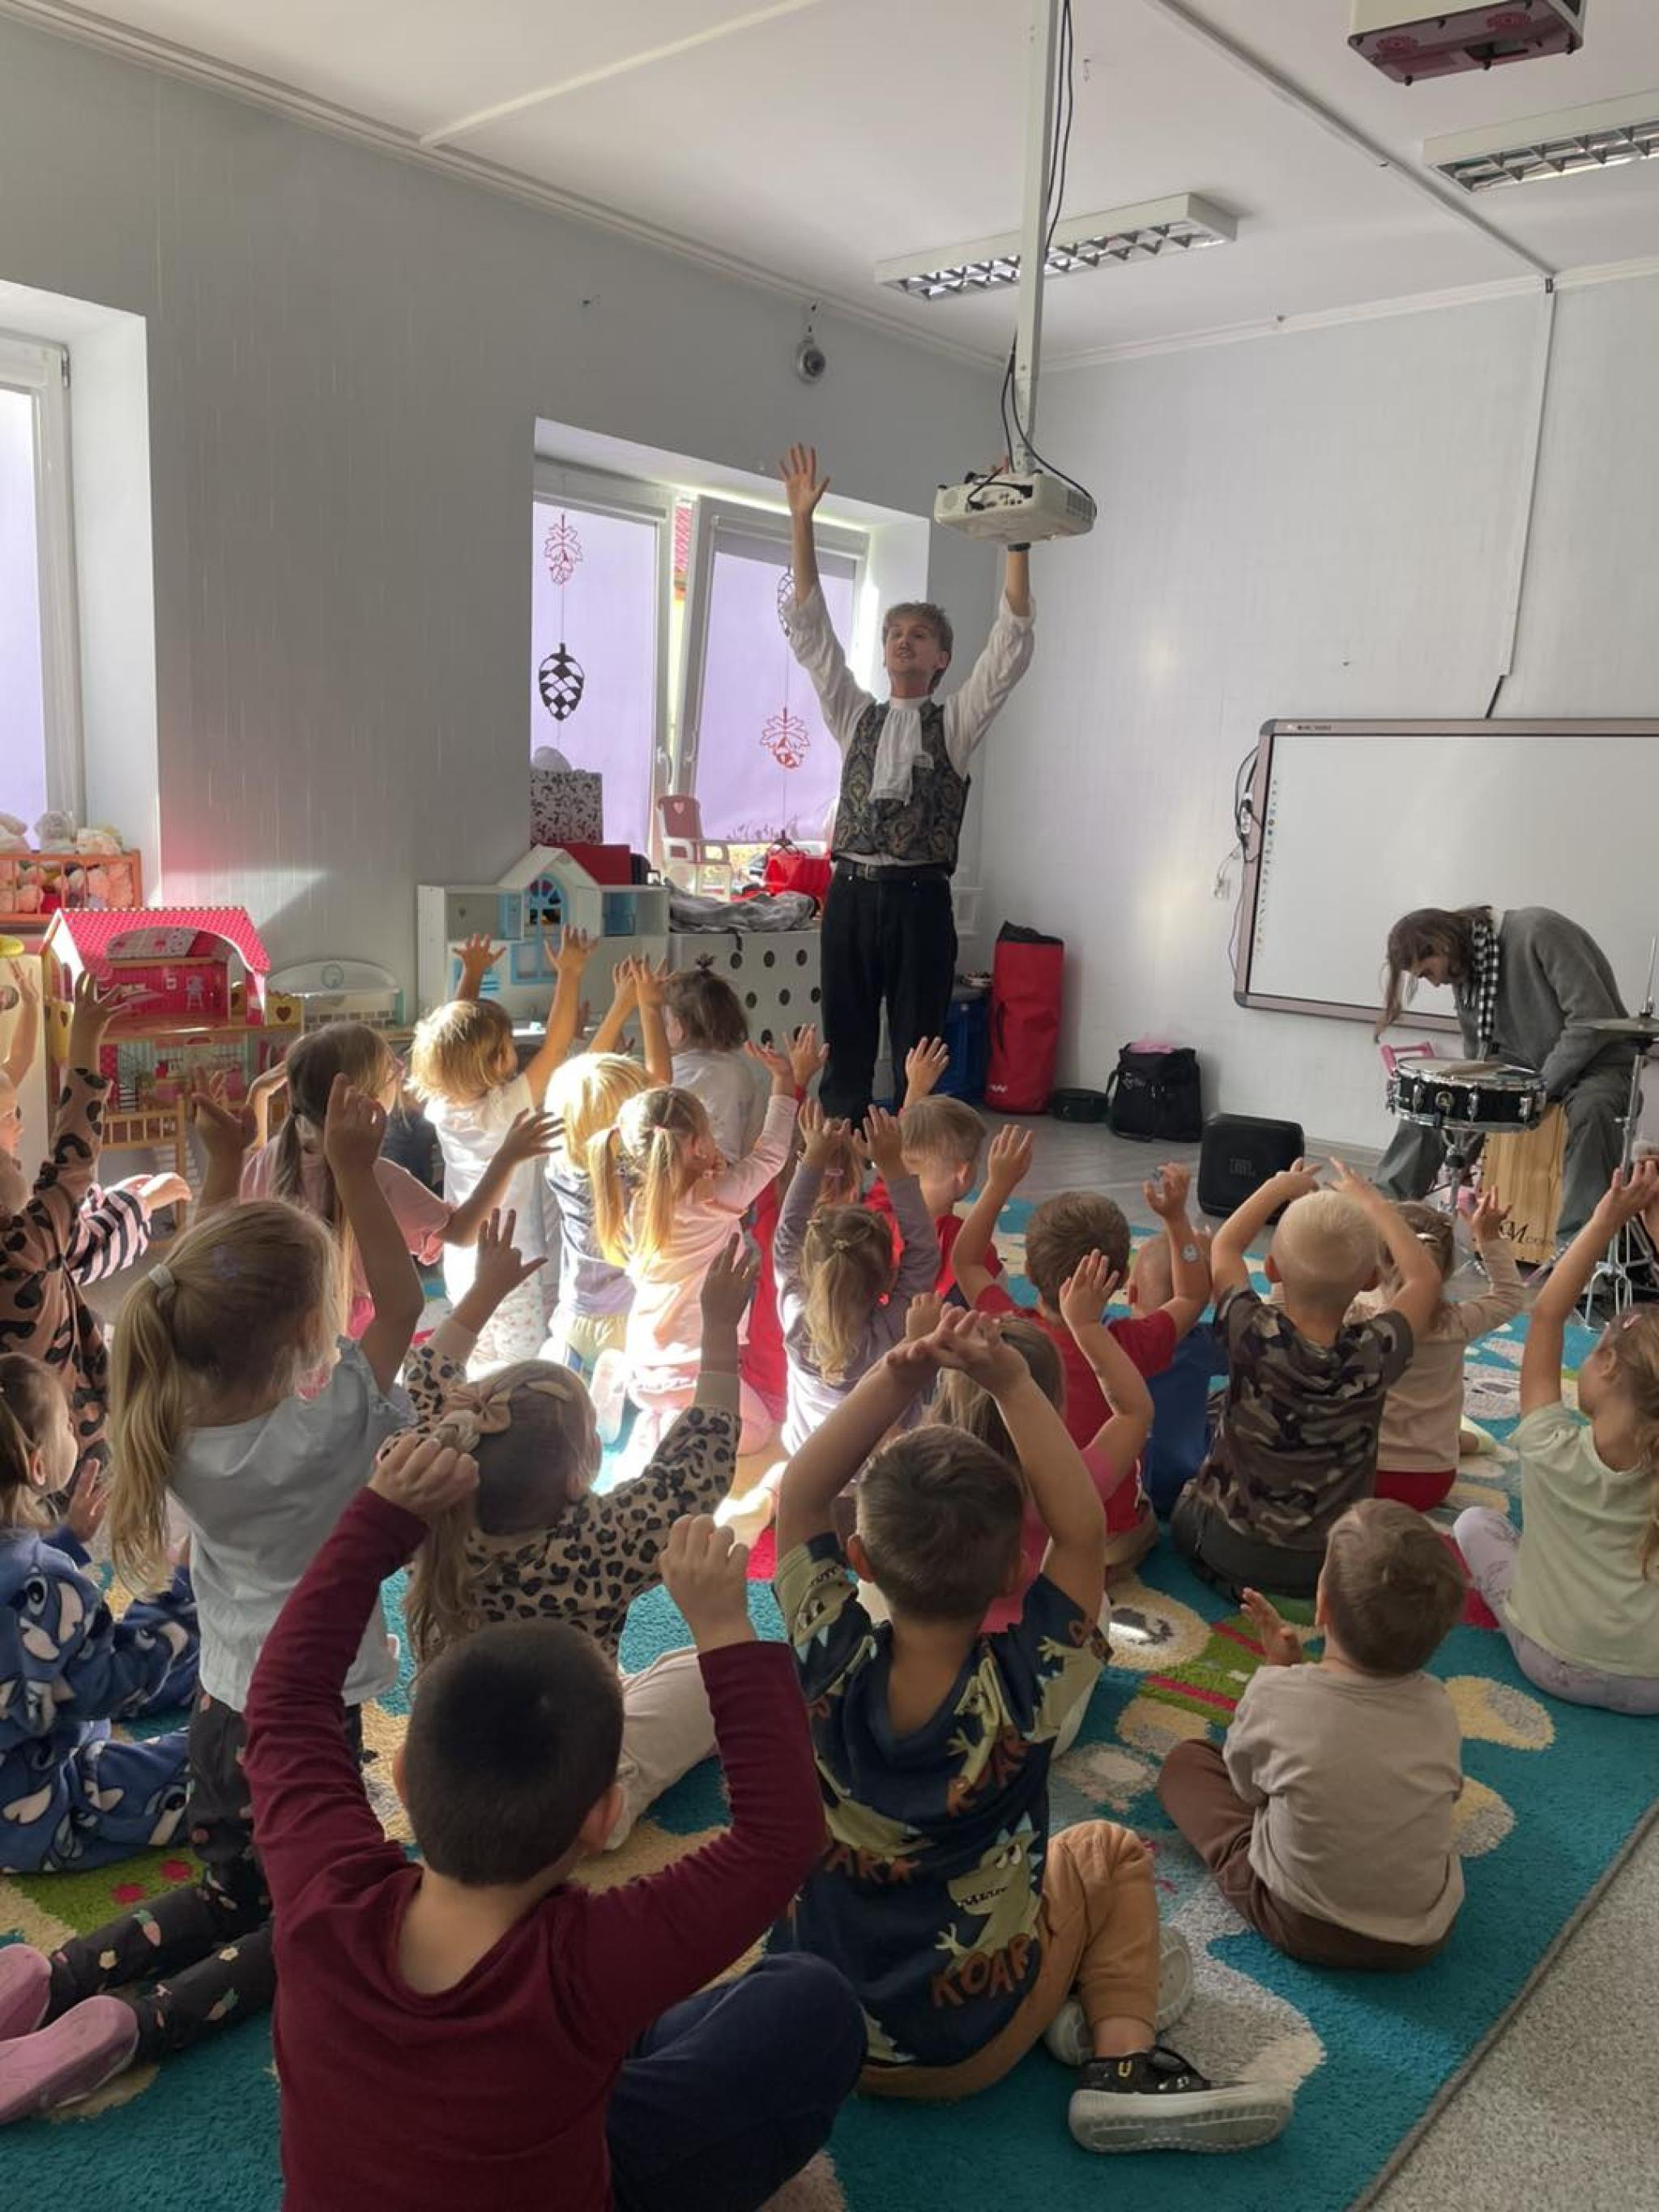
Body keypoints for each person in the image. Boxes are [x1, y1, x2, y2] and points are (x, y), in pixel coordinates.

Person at [240, 1432, 863, 2212]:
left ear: (400, 1778)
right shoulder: (585, 1969)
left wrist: (382, 1514)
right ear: (603, 1818)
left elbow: (285, 1699)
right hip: (580, 2132)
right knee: (810, 2005)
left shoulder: (320, 1896)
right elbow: (778, 1840)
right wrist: (721, 1624)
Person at [769, 1304, 1292, 2153]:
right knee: (1106, 1853)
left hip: (811, 2024)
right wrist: (1013, 1382)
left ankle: (1083, 2010)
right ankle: (1121, 2062)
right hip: (970, 2041)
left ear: (859, 1561)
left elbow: (798, 1495)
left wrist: (900, 1371)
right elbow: (1081, 1530)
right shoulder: (1031, 1683)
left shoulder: (823, 1655)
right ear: (1017, 1565)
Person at [0, 1075, 424, 2121]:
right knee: (314, 1921)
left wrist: (225, 1168)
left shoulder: (165, 1420)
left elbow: (213, 1295)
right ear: (306, 1333)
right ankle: (140, 2023)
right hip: (305, 1723)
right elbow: (406, 1305)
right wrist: (357, 1170)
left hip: (218, 1711)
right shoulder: (328, 1431)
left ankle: (56, 1976)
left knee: (231, 1888)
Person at [404, 1234, 757, 1850]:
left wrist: (483, 1293)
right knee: (725, 1674)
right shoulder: (602, 1542)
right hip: (559, 1797)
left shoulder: (423, 1497)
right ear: (576, 1477)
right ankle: (598, 1815)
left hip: (449, 1774)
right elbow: (699, 1464)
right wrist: (721, 1329)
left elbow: (425, 1382)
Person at [780, 442, 1035, 1123]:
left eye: (919, 635)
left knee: (919, 1050)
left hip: (921, 901)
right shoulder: (854, 714)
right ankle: (838, 1158)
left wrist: (1016, 535)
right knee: (847, 1046)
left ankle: (918, 1162)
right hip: (850, 895)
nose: (903, 641)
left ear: (941, 656)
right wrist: (801, 520)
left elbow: (1009, 646)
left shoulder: (954, 724)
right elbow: (813, 636)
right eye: (894, 632)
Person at [1158, 1499, 1467, 1969]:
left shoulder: (1277, 1696)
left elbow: (1247, 1788)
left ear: (1321, 1606)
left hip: (1301, 1920)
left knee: (1186, 1764)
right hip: (1420, 1937)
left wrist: (1278, 1674)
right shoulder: (1439, 1706)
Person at [1172, 1161, 1440, 1600]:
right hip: (1331, 1563)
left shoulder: (1248, 1330)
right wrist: (1376, 1204)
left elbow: (1225, 1246)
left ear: (1272, 1269)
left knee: (1189, 1494)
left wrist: (1277, 1187)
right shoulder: (1378, 1351)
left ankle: (1230, 1579)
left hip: (1229, 1547)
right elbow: (1424, 1278)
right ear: (1371, 1280)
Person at [1455, 1162, 1659, 1713]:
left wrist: (1606, 1218)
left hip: (1554, 1665)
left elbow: (1546, 1315)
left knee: (1475, 1523)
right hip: (1654, 1683)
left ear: (1608, 1363)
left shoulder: (1550, 1446)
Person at [955, 1134, 1210, 1564]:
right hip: (1103, 1536)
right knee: (1147, 1514)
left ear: (1028, 1270)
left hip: (1022, 1527)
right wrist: (1175, 1218)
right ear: (1121, 1278)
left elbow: (966, 1261)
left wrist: (998, 1185)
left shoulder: (1005, 1330)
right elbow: (1193, 1296)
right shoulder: (1129, 1344)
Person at [0, 1367, 196, 1874]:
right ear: (38, 1466)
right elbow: (115, 1688)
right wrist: (180, 1590)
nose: (76, 1430)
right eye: (67, 1424)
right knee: (224, 1763)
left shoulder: (38, 1575)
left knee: (156, 1650)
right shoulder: (48, 1581)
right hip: (40, 1808)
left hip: (25, 1739)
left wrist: (66, 1542)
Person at [243, 1020, 545, 1340]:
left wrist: (258, 1094)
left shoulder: (276, 1156)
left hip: (278, 1325)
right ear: (368, 1099)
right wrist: (506, 1157)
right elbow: (462, 1231)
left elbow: (252, 1153)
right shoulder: (379, 1181)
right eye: (394, 1070)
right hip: (354, 1336)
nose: (400, 1074)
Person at [929, 1255, 1154, 1659]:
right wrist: (1087, 1328)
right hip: (1045, 1671)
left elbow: (879, 1439)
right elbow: (1135, 1412)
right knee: (1098, 1598)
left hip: (940, 1656)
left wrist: (914, 1350)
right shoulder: (1076, 1482)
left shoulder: (922, 1481)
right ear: (1054, 1406)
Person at [1375, 904, 1639, 1243]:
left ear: (1443, 944)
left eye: (1427, 972)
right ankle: (1379, 1219)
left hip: (1599, 1065)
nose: (1436, 983)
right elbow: (1480, 1057)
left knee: (1594, 1108)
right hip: (1525, 1072)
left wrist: (1540, 1089)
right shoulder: (1467, 968)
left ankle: (1578, 1252)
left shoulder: (1538, 930)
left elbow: (1591, 1020)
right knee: (1435, 1100)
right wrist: (1465, 1143)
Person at [590, 1046, 802, 1458]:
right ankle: (672, 1427)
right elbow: (772, 1155)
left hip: (644, 1367)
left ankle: (643, 1408)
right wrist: (783, 1081)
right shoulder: (715, 1198)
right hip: (694, 1373)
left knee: (696, 1409)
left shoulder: (640, 1206)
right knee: (759, 1430)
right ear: (697, 1144)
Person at [0, 971, 147, 1497]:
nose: (18, 1128)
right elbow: (73, 1161)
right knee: (73, 1495)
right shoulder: (28, 1243)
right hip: (56, 1426)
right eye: (9, 1118)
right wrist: (85, 1039)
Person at [774, 1102, 940, 1457]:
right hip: (881, 1468)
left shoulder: (795, 1315)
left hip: (808, 1461)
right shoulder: (892, 1328)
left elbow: (787, 1239)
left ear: (809, 1270)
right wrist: (892, 1166)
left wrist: (813, 1158)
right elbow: (925, 1253)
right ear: (889, 1278)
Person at [1352, 1192, 1525, 1513]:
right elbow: (1510, 1296)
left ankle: (1467, 1439)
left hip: (1357, 1478)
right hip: (1431, 1482)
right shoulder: (1458, 1322)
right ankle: (1468, 1440)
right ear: (1446, 1270)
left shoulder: (1355, 1316)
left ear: (1375, 1265)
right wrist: (1488, 1237)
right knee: (1446, 1430)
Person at [866, 1089, 1004, 1298]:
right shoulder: (968, 1243)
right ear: (964, 1172)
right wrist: (999, 1185)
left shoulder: (875, 1220)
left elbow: (890, 1176)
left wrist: (915, 1087)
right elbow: (996, 1295)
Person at [1125, 1227, 1223, 1519]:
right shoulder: (1204, 1343)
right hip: (1186, 1480)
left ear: (1130, 1293)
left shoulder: (1108, 1337)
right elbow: (1248, 1342)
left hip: (1127, 1481)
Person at [661, 959, 768, 1164]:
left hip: (697, 1173)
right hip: (741, 1174)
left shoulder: (677, 1071)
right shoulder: (742, 1072)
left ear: (679, 1028)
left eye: (667, 1023)